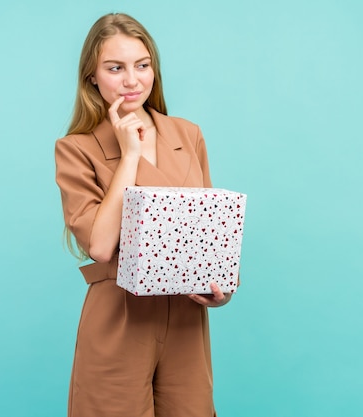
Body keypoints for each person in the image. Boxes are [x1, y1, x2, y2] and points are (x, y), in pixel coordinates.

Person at [54, 13, 233, 417]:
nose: (132, 80)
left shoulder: (188, 135)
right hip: (120, 318)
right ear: (92, 78)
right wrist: (129, 154)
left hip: (187, 321)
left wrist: (220, 289)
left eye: (142, 65)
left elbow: (206, 232)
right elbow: (100, 246)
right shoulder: (75, 148)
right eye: (115, 68)